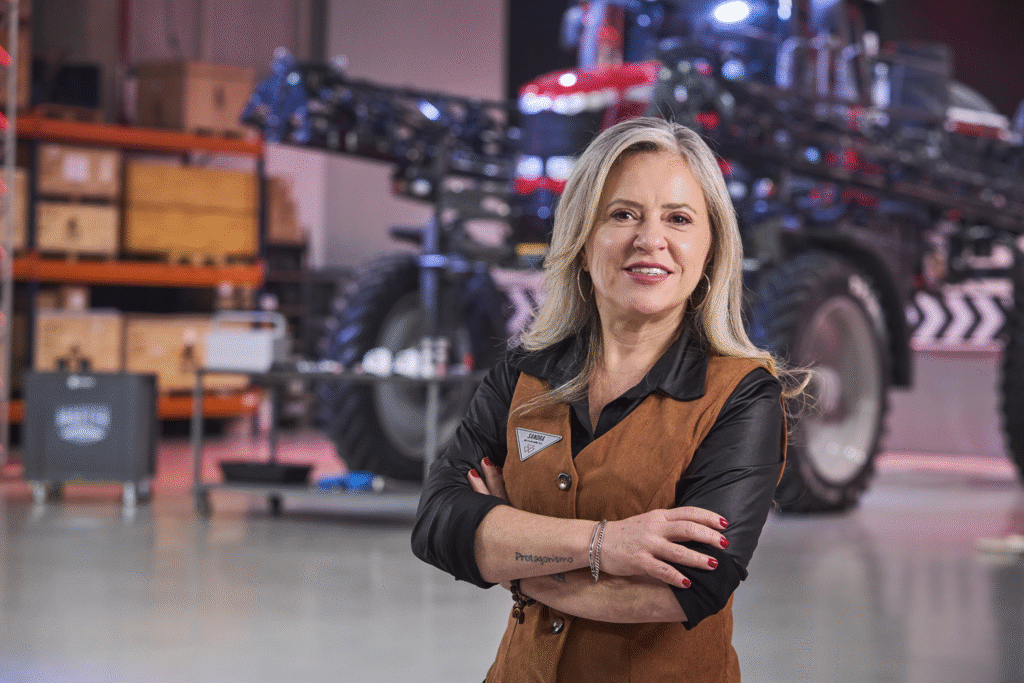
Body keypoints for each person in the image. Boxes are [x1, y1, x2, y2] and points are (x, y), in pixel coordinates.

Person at [412, 116, 797, 682]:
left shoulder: (741, 397)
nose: (650, 239)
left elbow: (693, 586)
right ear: (582, 239)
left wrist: (512, 559)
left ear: (711, 249)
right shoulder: (522, 375)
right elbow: (439, 524)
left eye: (679, 219)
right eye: (623, 214)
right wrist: (607, 545)